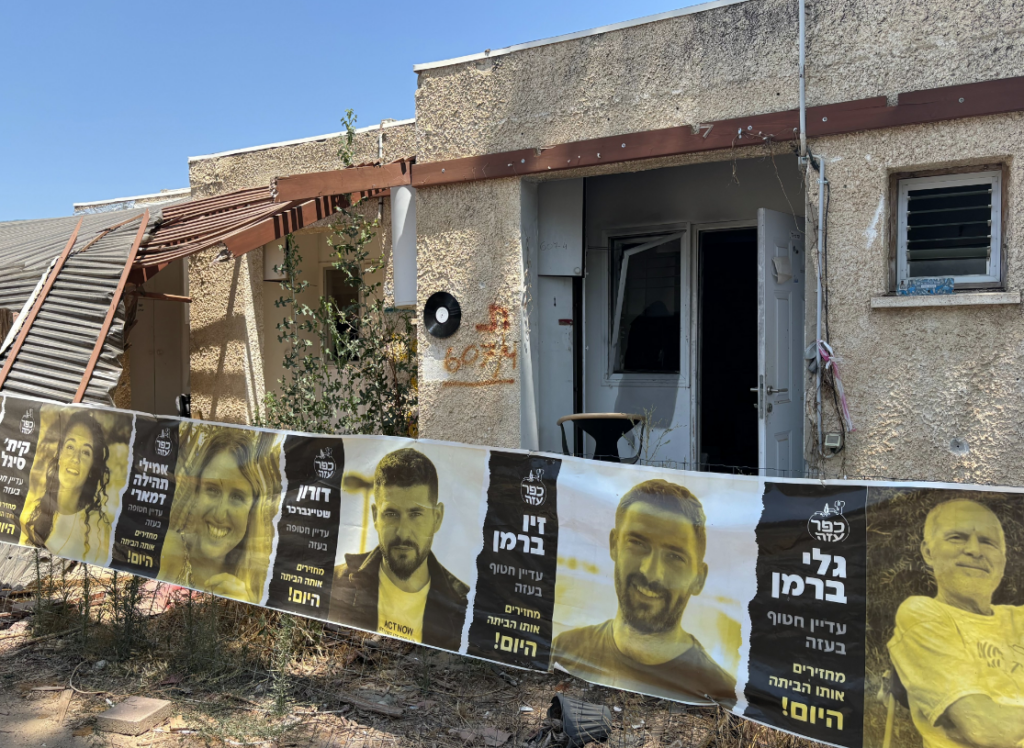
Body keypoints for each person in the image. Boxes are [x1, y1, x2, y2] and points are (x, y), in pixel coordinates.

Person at [550, 479, 736, 706]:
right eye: (637, 543)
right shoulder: (565, 650)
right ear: (614, 545)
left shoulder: (721, 693)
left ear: (699, 579)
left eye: (674, 557)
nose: (651, 573)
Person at [888, 498, 1024, 748]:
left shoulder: (1019, 619)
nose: (974, 550)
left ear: (1003, 562)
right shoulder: (921, 614)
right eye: (957, 538)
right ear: (928, 552)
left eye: (987, 542)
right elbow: (985, 727)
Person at [329, 448, 468, 648]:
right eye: (391, 514)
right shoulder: (334, 583)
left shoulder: (466, 606)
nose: (403, 533)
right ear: (376, 517)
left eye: (416, 514)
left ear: (437, 518)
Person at [158, 428, 280, 604]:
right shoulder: (169, 550)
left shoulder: (261, 582)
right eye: (212, 490)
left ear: (252, 511)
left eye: (237, 497)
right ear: (196, 493)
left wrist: (241, 609)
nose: (220, 514)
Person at [21, 411, 113, 565]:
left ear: (92, 468)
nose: (75, 458)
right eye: (70, 446)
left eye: (85, 452)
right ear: (60, 454)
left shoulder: (98, 529)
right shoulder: (31, 510)